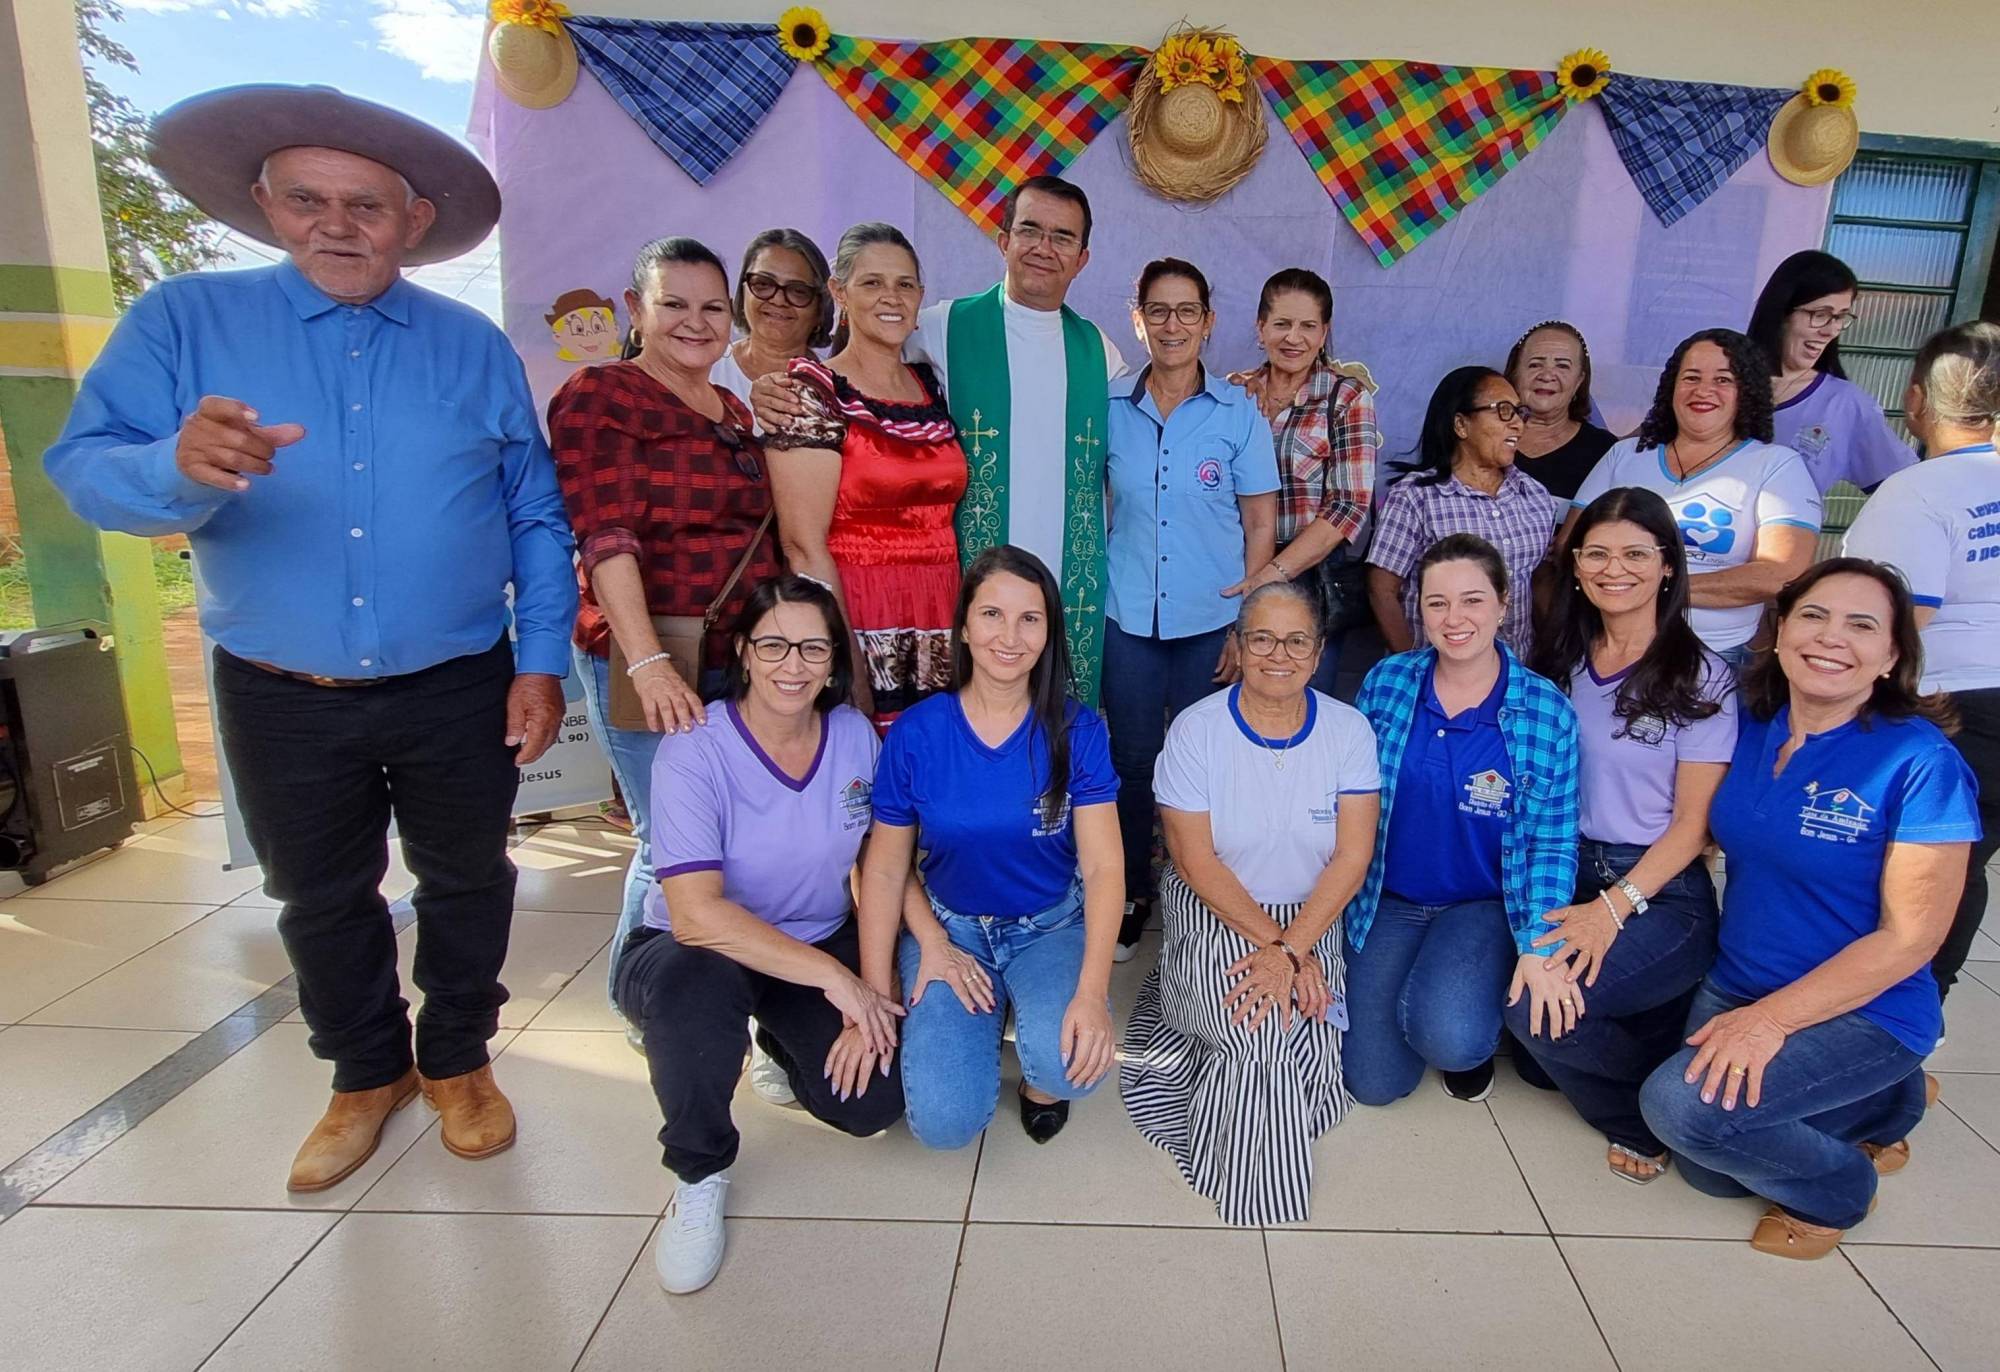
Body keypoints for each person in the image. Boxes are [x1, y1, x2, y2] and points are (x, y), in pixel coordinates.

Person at [43, 85, 579, 1189]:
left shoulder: (471, 347)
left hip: (458, 678)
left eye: (366, 206)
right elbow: (83, 468)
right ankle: (362, 1073)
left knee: (469, 877)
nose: (337, 225)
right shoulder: (186, 321)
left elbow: (533, 510)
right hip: (279, 683)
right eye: (307, 199)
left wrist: (539, 662)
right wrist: (170, 467)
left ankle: (458, 1059)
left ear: (412, 221)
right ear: (264, 205)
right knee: (321, 893)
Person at [1640, 559, 1978, 1260]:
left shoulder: (1920, 763)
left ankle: (1842, 1192)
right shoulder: (1753, 725)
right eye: (1815, 616)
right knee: (1711, 1175)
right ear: (1781, 628)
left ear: (1891, 656)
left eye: (1862, 625)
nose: (1831, 638)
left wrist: (1769, 1023)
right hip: (1742, 976)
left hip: (1866, 1004)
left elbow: (1912, 940)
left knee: (1682, 1112)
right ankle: (1890, 1103)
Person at [616, 576, 907, 1294]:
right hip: (692, 950)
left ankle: (774, 1036)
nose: (794, 664)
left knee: (872, 1105)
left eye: (814, 647)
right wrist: (839, 982)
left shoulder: (850, 736)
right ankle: (699, 1171)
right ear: (744, 651)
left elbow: (879, 861)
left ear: (836, 660)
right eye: (774, 643)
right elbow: (694, 914)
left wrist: (876, 983)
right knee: (698, 991)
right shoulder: (695, 748)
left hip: (809, 941)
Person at [755, 176, 1127, 699]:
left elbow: (1150, 423)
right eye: (1030, 230)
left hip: (1065, 592)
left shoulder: (1099, 351)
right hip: (946, 594)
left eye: (1063, 237)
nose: (1044, 248)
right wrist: (767, 380)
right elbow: (859, 363)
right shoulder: (941, 326)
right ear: (1003, 241)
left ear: (1083, 257)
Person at [548, 236, 781, 1002]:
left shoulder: (732, 410)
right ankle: (641, 996)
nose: (696, 321)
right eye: (674, 303)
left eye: (713, 307)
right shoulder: (602, 394)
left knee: (730, 839)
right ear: (634, 309)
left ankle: (715, 988)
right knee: (671, 839)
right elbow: (605, 533)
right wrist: (646, 661)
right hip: (653, 648)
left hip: (737, 655)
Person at [1121, 581, 1381, 1224]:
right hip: (1216, 905)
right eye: (1261, 638)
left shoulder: (1348, 730)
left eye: (1297, 640)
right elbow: (1194, 860)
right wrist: (1279, 949)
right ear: (1236, 646)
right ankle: (1256, 1192)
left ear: (1319, 653)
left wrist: (1295, 949)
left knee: (1309, 1037)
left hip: (1311, 916)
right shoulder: (1196, 731)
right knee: (1258, 1030)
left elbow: (1352, 856)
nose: (1278, 654)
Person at [855, 546, 1123, 1146]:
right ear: (965, 628)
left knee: (1071, 1068)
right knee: (944, 1127)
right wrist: (880, 990)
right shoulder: (918, 733)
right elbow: (885, 868)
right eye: (992, 615)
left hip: (1049, 924)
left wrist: (1092, 994)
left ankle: (1038, 1075)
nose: (1010, 635)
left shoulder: (1078, 730)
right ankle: (993, 1010)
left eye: (1030, 618)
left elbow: (1105, 868)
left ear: (1049, 632)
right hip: (951, 931)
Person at [1520, 487, 1737, 1182]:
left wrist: (1612, 911)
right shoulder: (1559, 659)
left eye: (1637, 554)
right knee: (1534, 1058)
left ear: (1669, 565)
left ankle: (1644, 1112)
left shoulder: (1702, 677)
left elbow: (1693, 826)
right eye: (1599, 553)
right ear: (1576, 565)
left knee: (1536, 1009)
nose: (1616, 569)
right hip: (1564, 865)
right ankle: (1654, 1048)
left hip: (1657, 885)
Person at [1343, 534, 1581, 1105]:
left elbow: (1552, 843)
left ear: (1504, 604)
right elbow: (1344, 798)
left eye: (1473, 600)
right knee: (1373, 1085)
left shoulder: (1547, 710)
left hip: (1483, 903)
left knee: (1451, 1039)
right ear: (1418, 609)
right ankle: (1430, 992)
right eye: (1437, 602)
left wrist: (1541, 948)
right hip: (1389, 897)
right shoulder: (1388, 683)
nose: (1455, 619)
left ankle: (1460, 1012)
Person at [1103, 258, 1278, 960]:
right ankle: (1133, 895)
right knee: (1132, 762)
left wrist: (1249, 619)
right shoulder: (1109, 405)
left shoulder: (1238, 415)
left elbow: (1262, 526)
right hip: (1127, 621)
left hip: (1212, 622)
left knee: (1209, 763)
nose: (1173, 324)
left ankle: (1202, 896)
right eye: (1159, 310)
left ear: (1209, 321)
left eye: (1188, 311)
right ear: (1137, 318)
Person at [1843, 321, 2000, 1005]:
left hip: (1951, 710)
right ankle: (1923, 1010)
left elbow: (1895, 622)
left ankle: (1882, 1017)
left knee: (1908, 872)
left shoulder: (1918, 492)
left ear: (1915, 401)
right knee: (1963, 862)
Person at [764, 223, 967, 728]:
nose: (891, 297)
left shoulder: (932, 384)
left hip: (942, 608)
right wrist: (841, 656)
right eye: (872, 283)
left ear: (921, 297)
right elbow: (802, 545)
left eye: (904, 284)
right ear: (840, 293)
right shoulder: (812, 392)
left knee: (932, 773)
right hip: (858, 607)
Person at [1568, 329, 1823, 673]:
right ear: (1671, 387)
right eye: (1691, 377)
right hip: (1609, 648)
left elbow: (1782, 574)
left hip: (1716, 656)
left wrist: (1651, 586)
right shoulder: (1624, 456)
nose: (1704, 390)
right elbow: (1571, 546)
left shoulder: (1776, 465)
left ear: (1746, 392)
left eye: (1723, 380)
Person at [1229, 268, 1380, 695]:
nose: (1293, 337)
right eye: (1281, 324)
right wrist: (1250, 577)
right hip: (1230, 571)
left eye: (1307, 326)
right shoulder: (1231, 394)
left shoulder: (1346, 398)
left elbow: (1348, 506)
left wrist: (1272, 574)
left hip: (1308, 577)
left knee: (1299, 700)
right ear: (1260, 328)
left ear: (1324, 332)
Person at [1367, 367, 1563, 660]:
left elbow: (1539, 582)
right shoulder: (1416, 497)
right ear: (1461, 425)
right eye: (1504, 411)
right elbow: (1381, 589)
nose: (1519, 426)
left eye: (1520, 414)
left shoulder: (1535, 496)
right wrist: (1412, 669)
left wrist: (1551, 660)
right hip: (1437, 676)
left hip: (1515, 674)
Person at [1748, 250, 1915, 495]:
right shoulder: (1721, 381)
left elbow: (1907, 488)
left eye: (1840, 317)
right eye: (1821, 315)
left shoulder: (1846, 404)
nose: (1831, 330)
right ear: (1782, 311)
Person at [710, 227, 833, 419]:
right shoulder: (705, 370)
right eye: (763, 284)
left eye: (798, 291)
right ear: (744, 294)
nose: (778, 300)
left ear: (820, 309)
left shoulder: (836, 391)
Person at [1504, 320, 1617, 502]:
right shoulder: (1484, 436)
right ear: (1514, 374)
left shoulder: (1604, 450)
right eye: (1535, 364)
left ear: (1579, 380)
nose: (1547, 375)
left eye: (1562, 366)